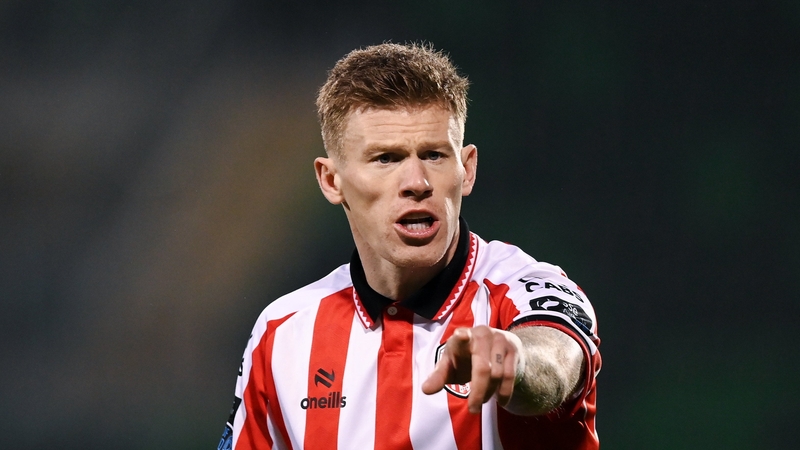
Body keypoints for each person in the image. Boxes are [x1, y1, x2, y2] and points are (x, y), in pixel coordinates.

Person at [218, 42, 601, 450]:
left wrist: (518, 360)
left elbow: (559, 359)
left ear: (466, 170)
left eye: (434, 155)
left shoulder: (523, 289)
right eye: (386, 158)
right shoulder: (283, 331)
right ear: (331, 181)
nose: (417, 182)